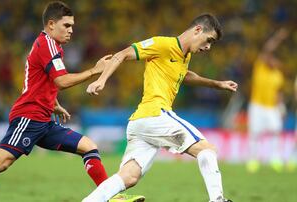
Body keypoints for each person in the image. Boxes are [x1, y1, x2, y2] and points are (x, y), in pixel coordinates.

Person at [0, 1, 143, 202]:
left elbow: (40, 79)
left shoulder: (52, 46)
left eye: (72, 26)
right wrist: (94, 70)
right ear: (50, 24)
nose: (71, 30)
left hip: (44, 120)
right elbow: (62, 81)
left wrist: (54, 103)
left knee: (88, 146)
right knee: (0, 162)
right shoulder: (46, 44)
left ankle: (111, 197)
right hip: (28, 117)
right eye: (67, 25)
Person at [83, 14, 237, 202]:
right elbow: (122, 54)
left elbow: (184, 75)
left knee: (129, 177)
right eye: (209, 40)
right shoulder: (162, 44)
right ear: (197, 30)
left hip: (141, 122)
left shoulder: (184, 56)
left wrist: (216, 84)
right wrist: (101, 80)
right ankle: (217, 200)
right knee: (207, 150)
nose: (208, 47)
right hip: (156, 114)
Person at [246, 28, 288, 173]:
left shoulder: (278, 75)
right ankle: (253, 160)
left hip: (272, 108)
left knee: (276, 131)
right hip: (257, 105)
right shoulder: (260, 66)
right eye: (270, 58)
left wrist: (281, 107)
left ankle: (275, 158)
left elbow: (279, 93)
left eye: (274, 59)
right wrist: (278, 37)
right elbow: (267, 49)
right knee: (255, 133)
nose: (272, 61)